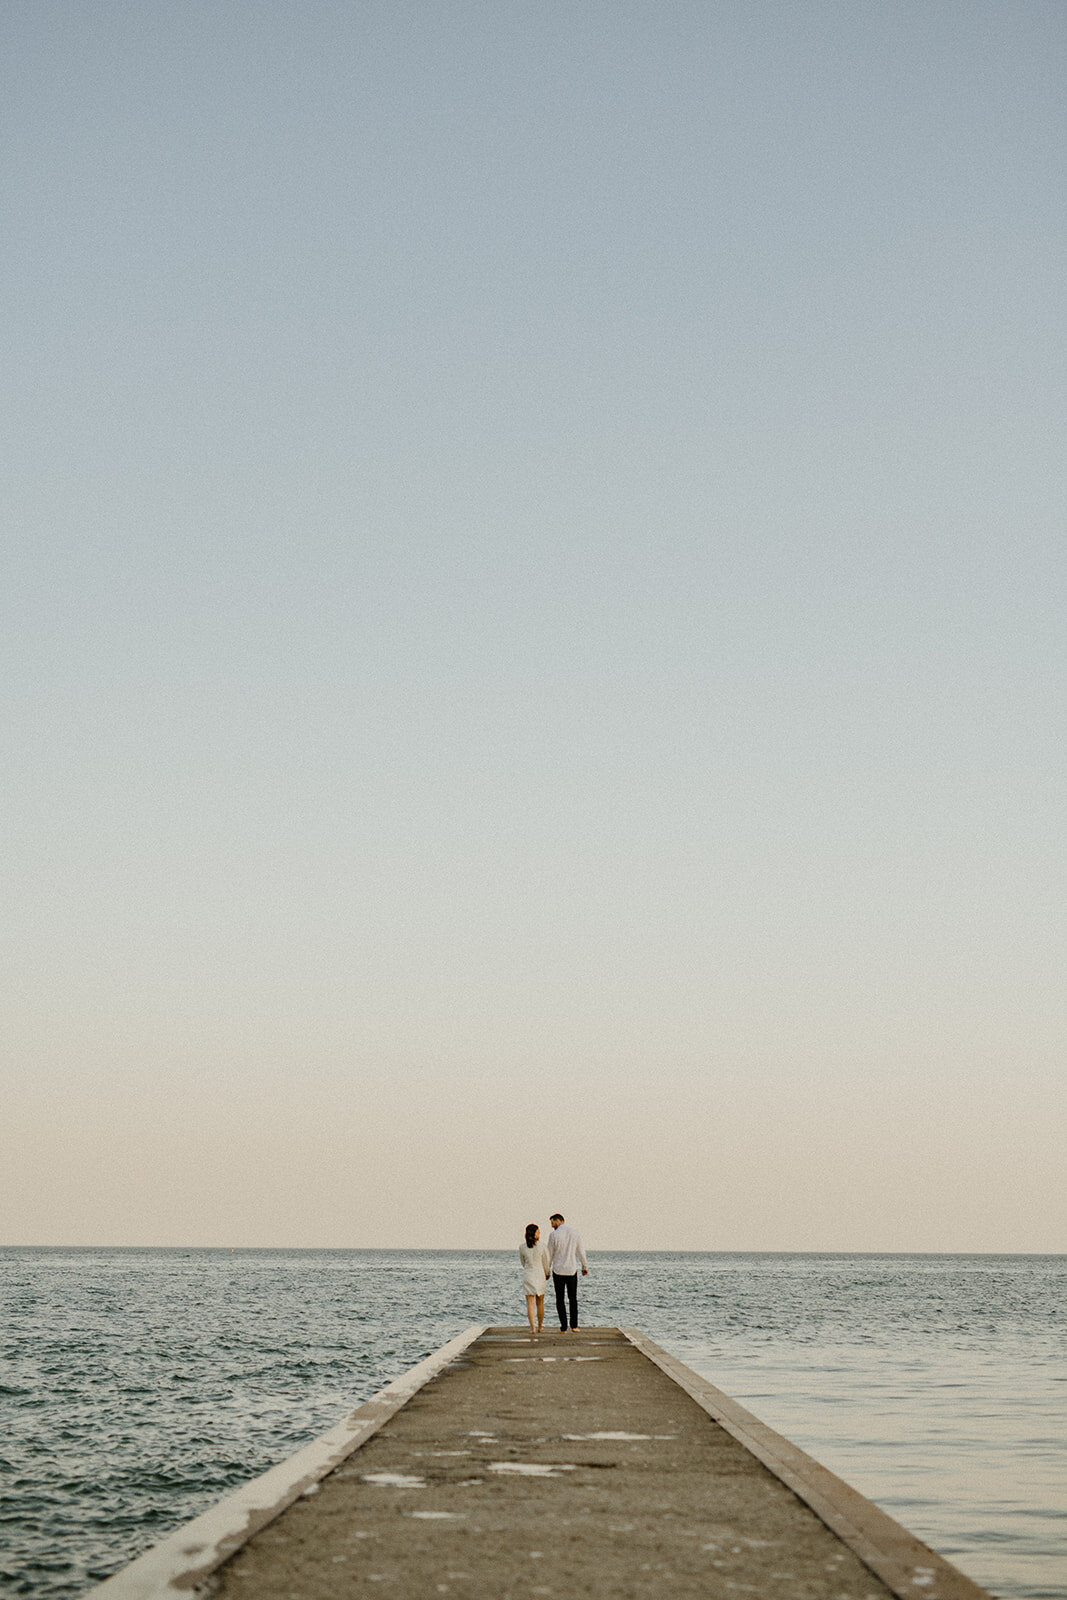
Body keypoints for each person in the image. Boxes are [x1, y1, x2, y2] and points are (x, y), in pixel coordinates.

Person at [545, 1212, 588, 1331]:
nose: (551, 1225)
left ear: (559, 1221)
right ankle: (574, 1326)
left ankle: (563, 1326)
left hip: (558, 1270)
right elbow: (581, 1250)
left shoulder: (553, 1235)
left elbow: (549, 1254)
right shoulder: (575, 1233)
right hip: (571, 1270)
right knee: (573, 1298)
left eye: (552, 1222)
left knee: (560, 1299)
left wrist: (547, 1270)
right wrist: (584, 1266)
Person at [519, 1223, 551, 1335]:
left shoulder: (522, 1247)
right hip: (539, 1274)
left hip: (528, 1274)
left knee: (530, 1303)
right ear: (535, 1233)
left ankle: (532, 1327)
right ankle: (540, 1325)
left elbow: (523, 1262)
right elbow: (546, 1262)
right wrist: (548, 1273)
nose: (540, 1233)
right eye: (538, 1231)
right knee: (540, 1302)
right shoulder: (542, 1246)